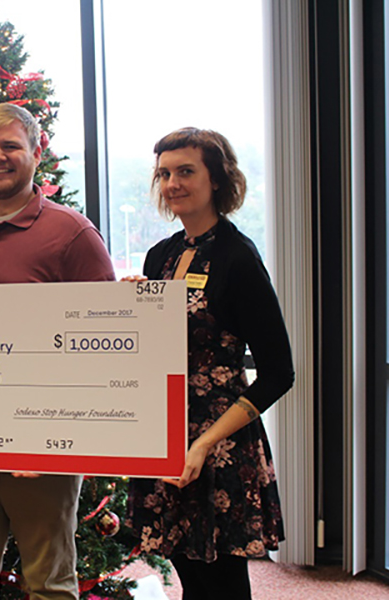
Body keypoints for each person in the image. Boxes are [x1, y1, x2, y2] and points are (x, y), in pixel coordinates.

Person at [0, 103, 116, 600]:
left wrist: (53, 434)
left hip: (39, 449)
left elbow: (104, 345)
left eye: (10, 145)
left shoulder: (73, 233)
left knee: (50, 583)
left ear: (37, 152)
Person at [127, 128, 294, 600]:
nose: (172, 183)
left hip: (217, 444)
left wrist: (203, 444)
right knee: (188, 576)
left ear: (217, 178)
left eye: (186, 171)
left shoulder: (238, 258)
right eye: (164, 173)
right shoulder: (160, 256)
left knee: (221, 584)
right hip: (164, 435)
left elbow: (280, 372)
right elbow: (152, 347)